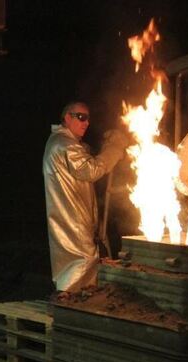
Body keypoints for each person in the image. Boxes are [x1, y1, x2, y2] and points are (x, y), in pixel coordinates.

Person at [43, 101, 128, 292]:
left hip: (66, 217)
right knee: (82, 261)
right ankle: (70, 306)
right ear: (67, 118)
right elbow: (91, 170)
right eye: (80, 117)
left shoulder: (59, 142)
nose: (86, 122)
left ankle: (71, 302)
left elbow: (82, 161)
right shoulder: (66, 146)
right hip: (73, 219)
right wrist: (114, 148)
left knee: (74, 264)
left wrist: (100, 148)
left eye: (88, 118)